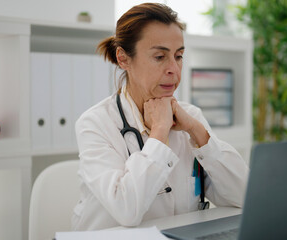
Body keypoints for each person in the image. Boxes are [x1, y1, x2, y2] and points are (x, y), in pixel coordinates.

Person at [72, 3, 249, 231]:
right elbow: (127, 210)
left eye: (179, 56)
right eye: (159, 57)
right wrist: (159, 132)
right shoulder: (95, 123)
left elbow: (244, 195)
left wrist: (197, 131)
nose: (174, 69)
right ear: (124, 59)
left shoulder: (191, 117)